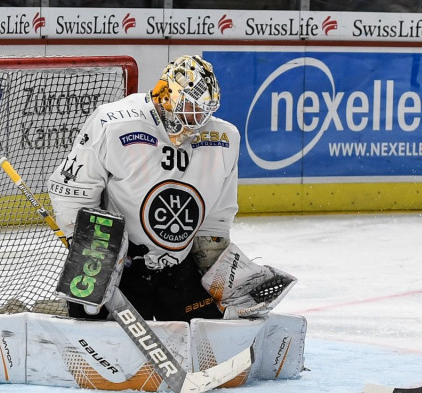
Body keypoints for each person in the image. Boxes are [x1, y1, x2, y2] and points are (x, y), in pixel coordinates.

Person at [48, 55, 294, 322]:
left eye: (204, 111)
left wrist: (215, 262)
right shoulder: (114, 122)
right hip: (121, 268)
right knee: (91, 332)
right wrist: (91, 251)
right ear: (168, 95)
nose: (197, 119)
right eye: (190, 108)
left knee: (214, 328)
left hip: (178, 270)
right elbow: (72, 190)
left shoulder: (224, 139)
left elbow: (216, 217)